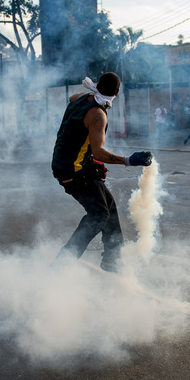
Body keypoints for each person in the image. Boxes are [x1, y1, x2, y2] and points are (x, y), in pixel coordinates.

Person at [52, 73, 153, 273]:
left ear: (97, 86)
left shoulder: (80, 98)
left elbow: (73, 99)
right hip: (73, 170)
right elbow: (98, 151)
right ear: (117, 92)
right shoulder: (98, 116)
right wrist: (128, 160)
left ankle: (112, 260)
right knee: (99, 214)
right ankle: (63, 262)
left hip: (70, 164)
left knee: (109, 207)